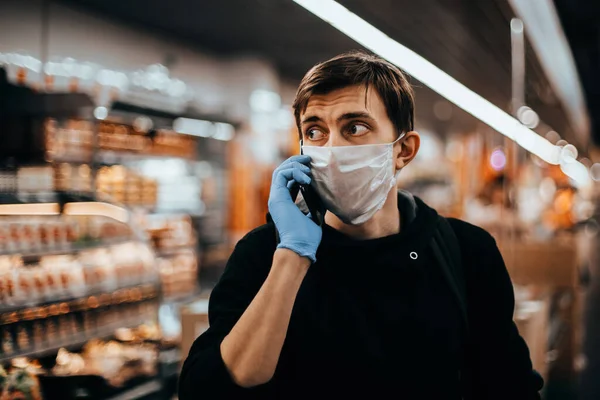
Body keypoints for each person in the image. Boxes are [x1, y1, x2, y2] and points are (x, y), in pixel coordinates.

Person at [179, 51, 543, 399]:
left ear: (404, 150)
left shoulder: (465, 252)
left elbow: (509, 386)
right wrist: (292, 257)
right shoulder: (262, 254)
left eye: (355, 127)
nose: (332, 148)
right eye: (316, 131)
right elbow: (208, 388)